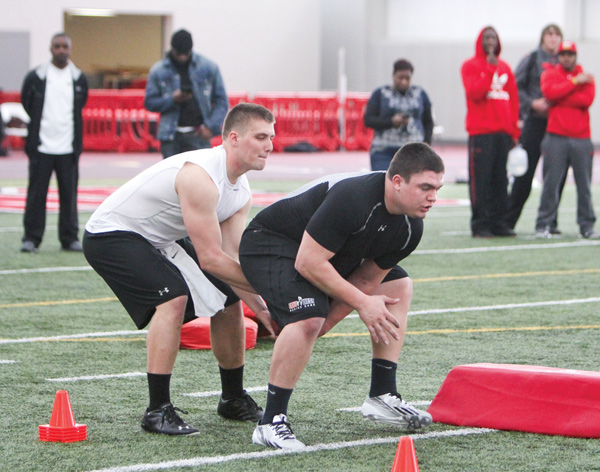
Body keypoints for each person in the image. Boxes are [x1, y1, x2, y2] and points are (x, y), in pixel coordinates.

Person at [83, 103, 278, 436]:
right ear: (233, 138)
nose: (270, 146)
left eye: (271, 137)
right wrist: (274, 294)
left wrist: (263, 309)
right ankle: (157, 410)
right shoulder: (200, 176)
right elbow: (211, 259)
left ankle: (232, 398)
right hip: (110, 234)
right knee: (171, 299)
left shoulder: (240, 191)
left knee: (228, 297)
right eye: (261, 137)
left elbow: (232, 259)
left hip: (158, 239)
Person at [239, 142, 445, 450]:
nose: (433, 197)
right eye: (425, 187)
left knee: (398, 287)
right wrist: (328, 316)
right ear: (397, 182)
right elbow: (308, 262)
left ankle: (382, 396)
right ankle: (270, 422)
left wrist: (326, 324)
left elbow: (365, 279)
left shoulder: (411, 228)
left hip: (327, 254)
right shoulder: (355, 197)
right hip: (271, 243)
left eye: (437, 188)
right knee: (308, 316)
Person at [20, 33, 88, 253]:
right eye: (57, 46)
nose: (61, 50)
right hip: (41, 146)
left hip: (69, 147)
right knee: (36, 194)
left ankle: (69, 238)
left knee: (69, 195)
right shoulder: (36, 76)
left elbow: (81, 105)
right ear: (50, 49)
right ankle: (31, 238)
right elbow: (26, 102)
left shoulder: (78, 78)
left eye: (64, 46)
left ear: (70, 48)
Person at [461, 27, 520, 238]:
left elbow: (513, 100)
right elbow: (475, 93)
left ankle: (499, 223)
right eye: (487, 37)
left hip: (503, 133)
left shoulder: (506, 68)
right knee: (481, 180)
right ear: (480, 41)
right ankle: (480, 224)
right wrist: (488, 69)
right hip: (481, 133)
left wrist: (514, 131)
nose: (490, 41)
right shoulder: (470, 66)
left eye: (493, 37)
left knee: (500, 180)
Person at [535, 41, 598, 239]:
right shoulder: (550, 74)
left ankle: (586, 226)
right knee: (550, 184)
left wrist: (561, 95)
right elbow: (549, 93)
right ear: (558, 56)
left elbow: (585, 101)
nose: (566, 57)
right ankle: (543, 224)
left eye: (570, 54)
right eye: (563, 54)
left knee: (584, 186)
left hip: (581, 138)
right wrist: (574, 83)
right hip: (556, 137)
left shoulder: (587, 78)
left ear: (575, 56)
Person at [506, 24, 563, 232]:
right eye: (550, 34)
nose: (553, 38)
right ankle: (508, 221)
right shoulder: (531, 58)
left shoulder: (564, 61)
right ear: (542, 37)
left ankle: (550, 222)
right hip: (534, 122)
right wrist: (532, 103)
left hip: (557, 124)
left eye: (557, 34)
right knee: (525, 174)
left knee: (556, 174)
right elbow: (514, 86)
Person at [145, 29, 229, 158]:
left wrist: (211, 127)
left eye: (185, 53)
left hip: (199, 133)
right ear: (172, 50)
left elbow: (222, 101)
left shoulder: (208, 67)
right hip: (170, 135)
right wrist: (173, 99)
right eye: (179, 54)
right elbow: (149, 102)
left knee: (199, 176)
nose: (182, 57)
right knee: (172, 177)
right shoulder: (159, 70)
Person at [364, 59, 434, 171]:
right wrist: (391, 122)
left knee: (412, 186)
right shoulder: (380, 94)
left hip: (413, 150)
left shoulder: (420, 94)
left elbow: (428, 121)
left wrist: (427, 143)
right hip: (384, 150)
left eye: (407, 78)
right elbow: (368, 120)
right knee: (384, 183)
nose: (404, 81)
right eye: (400, 78)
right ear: (393, 75)